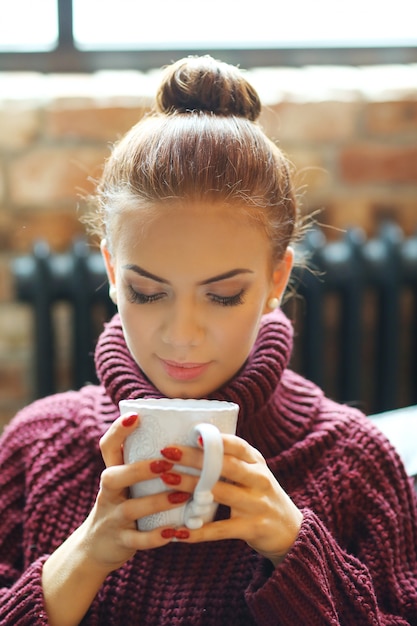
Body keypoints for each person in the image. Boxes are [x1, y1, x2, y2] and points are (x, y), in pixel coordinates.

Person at [0, 55, 416, 626]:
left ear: (276, 280)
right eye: (148, 293)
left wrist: (296, 550)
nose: (182, 334)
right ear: (113, 275)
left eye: (222, 297)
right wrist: (82, 558)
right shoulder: (35, 448)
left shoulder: (356, 464)